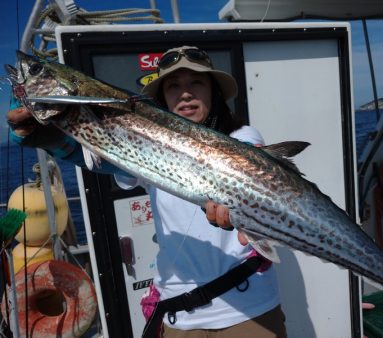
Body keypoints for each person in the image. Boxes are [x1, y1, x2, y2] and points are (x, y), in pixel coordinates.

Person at [7, 46, 287, 338]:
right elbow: (97, 160)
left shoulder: (242, 138)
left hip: (248, 309)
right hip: (179, 314)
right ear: (163, 97)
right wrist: (42, 135)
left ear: (214, 91)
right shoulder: (147, 147)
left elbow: (251, 162)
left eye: (196, 82)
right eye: (174, 86)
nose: (185, 93)